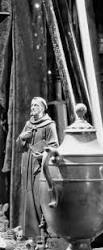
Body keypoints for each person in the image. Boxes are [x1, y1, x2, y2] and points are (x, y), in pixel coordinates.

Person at [17, 97, 59, 237]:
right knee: (27, 196)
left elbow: (55, 146)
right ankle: (29, 232)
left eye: (35, 105)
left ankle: (42, 233)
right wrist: (22, 137)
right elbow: (18, 146)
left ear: (42, 108)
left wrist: (43, 156)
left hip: (40, 167)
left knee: (39, 197)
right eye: (31, 105)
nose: (32, 108)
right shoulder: (28, 124)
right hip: (27, 165)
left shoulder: (49, 125)